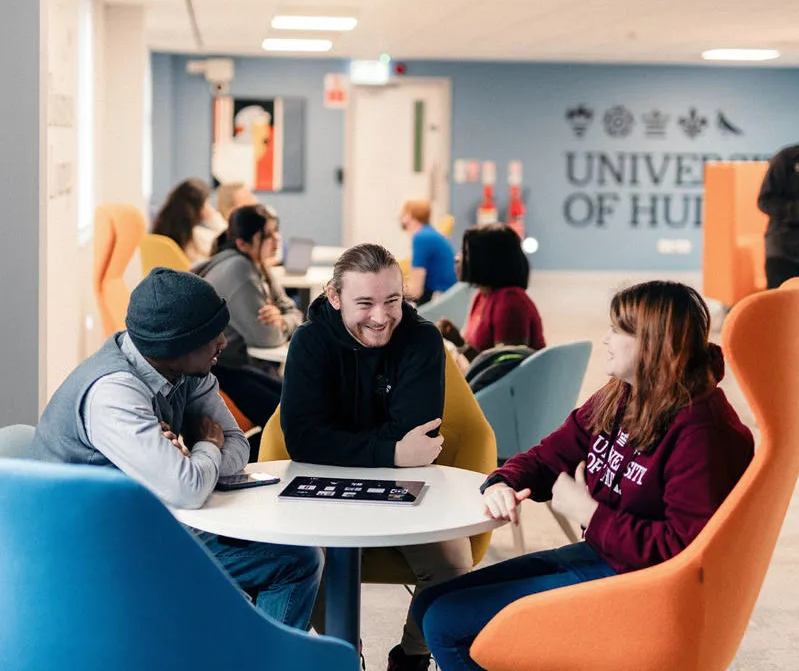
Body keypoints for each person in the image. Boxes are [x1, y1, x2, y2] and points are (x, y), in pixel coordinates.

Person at [412, 280, 754, 670]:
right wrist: (505, 481)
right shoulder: (623, 393)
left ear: (653, 343)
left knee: (445, 622)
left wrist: (590, 513)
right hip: (600, 557)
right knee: (428, 605)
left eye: (618, 330)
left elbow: (684, 550)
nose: (606, 339)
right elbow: (550, 454)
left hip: (640, 585)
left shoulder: (702, 431)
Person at [30, 268, 321, 630]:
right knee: (294, 563)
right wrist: (205, 448)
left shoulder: (185, 372)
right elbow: (188, 487)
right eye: (212, 335)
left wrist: (195, 458)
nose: (224, 343)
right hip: (89, 548)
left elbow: (237, 449)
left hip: (139, 522)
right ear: (175, 346)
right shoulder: (113, 393)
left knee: (283, 556)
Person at [281, 243, 473, 671]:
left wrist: (343, 442)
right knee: (299, 564)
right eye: (364, 303)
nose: (381, 317)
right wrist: (390, 450)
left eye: (393, 301)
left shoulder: (421, 338)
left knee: (454, 565)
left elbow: (418, 434)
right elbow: (303, 441)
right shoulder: (310, 342)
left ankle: (411, 656)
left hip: (407, 485)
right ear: (334, 297)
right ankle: (347, 655)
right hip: (323, 485)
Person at [194, 205, 302, 434]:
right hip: (216, 374)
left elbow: (294, 311)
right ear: (243, 243)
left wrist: (283, 320)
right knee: (295, 414)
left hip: (234, 366)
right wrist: (283, 323)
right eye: (267, 235)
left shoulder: (257, 264)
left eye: (276, 232)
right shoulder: (239, 270)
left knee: (301, 399)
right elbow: (267, 338)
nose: (277, 240)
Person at [438, 224, 545, 365]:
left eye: (466, 252)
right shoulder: (482, 296)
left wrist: (459, 343)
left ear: (488, 259)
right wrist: (458, 341)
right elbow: (484, 361)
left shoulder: (510, 302)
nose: (457, 258)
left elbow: (504, 369)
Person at [151, 178, 226, 262]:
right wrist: (212, 216)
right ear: (201, 207)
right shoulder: (198, 237)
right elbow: (226, 239)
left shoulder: (157, 232)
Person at [757, 144, 799, 288]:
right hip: (784, 252)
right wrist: (795, 210)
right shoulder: (787, 158)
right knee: (780, 306)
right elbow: (764, 201)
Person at [401, 200, 457, 305]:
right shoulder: (430, 233)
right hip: (446, 296)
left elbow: (415, 290)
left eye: (404, 213)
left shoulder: (422, 238)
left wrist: (388, 291)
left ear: (409, 216)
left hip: (440, 299)